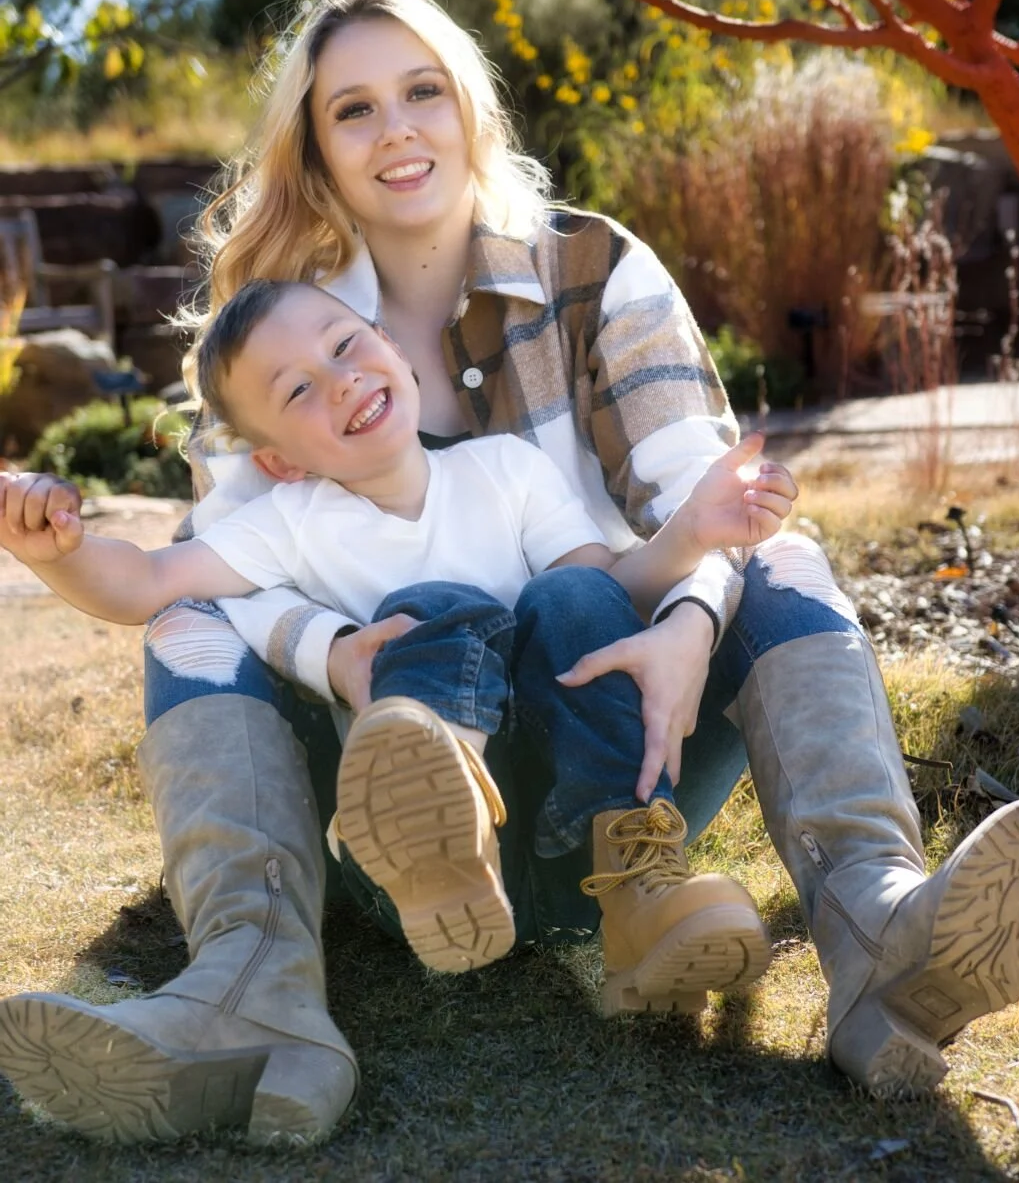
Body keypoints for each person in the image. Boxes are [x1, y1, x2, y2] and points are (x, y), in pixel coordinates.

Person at [0, 0, 1019, 1148]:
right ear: (314, 147)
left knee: (784, 561)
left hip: (619, 761)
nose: (397, 130)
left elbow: (705, 505)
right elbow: (208, 575)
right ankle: (251, 992)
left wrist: (687, 625)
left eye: (422, 91)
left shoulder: (596, 272)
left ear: (471, 106)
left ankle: (878, 933)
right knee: (192, 621)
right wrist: (333, 652)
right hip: (394, 808)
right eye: (353, 109)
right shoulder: (276, 338)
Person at [0, 277, 797, 990]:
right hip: (419, 887)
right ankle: (441, 822)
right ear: (278, 461)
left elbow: (610, 596)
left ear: (394, 349)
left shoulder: (508, 471)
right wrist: (56, 551)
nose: (342, 379)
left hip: (578, 845)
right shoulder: (291, 524)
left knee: (572, 592)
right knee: (432, 606)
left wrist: (690, 533)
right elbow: (147, 582)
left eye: (347, 345)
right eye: (299, 389)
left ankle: (641, 890)